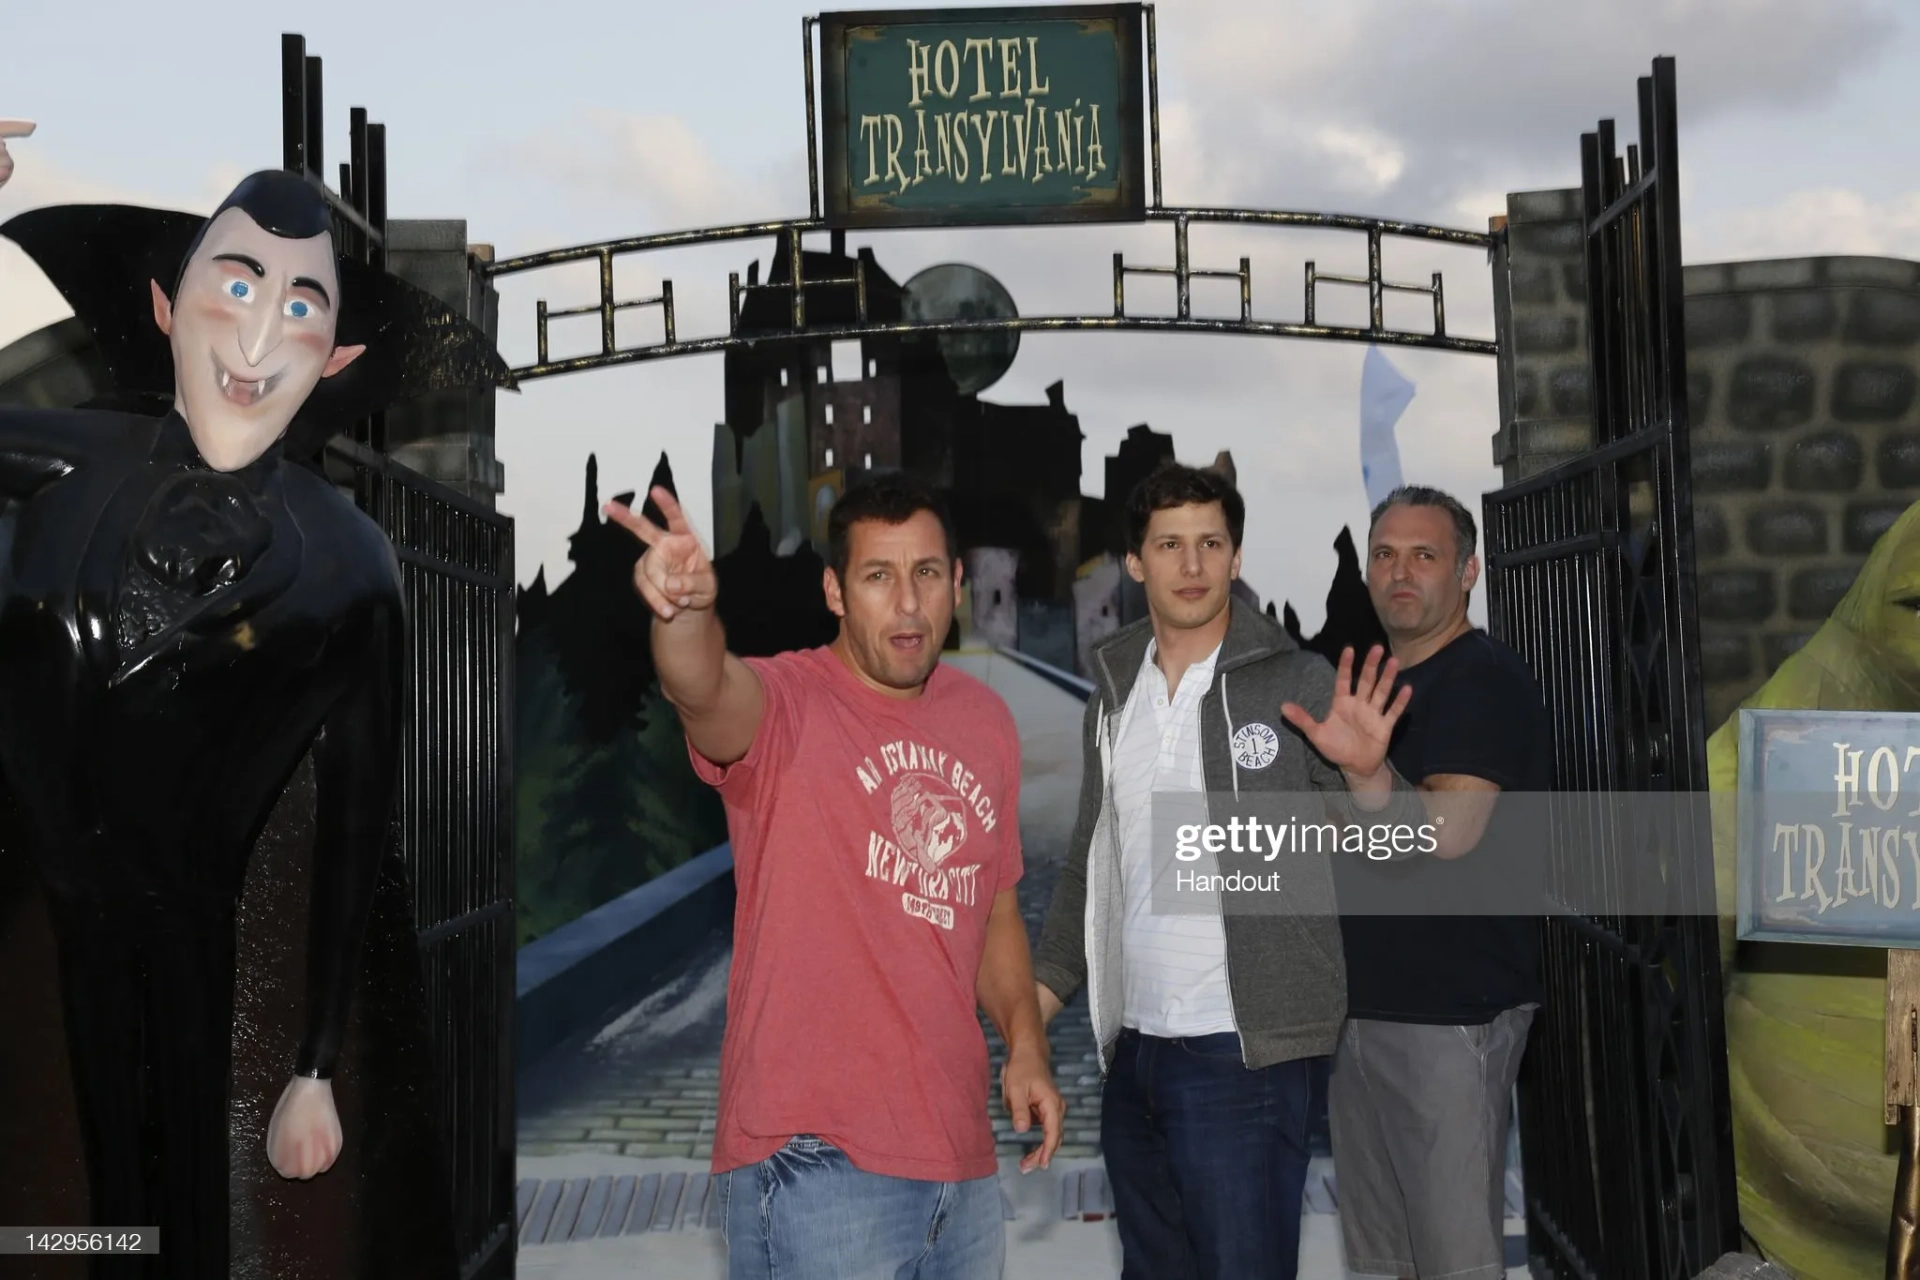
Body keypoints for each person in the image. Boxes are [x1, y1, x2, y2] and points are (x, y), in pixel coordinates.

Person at [0, 170, 508, 1275]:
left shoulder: (347, 563)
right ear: (163, 306)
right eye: (236, 284)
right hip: (32, 923)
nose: (258, 334)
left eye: (300, 306)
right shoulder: (70, 462)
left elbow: (358, 822)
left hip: (197, 929)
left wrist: (317, 1061)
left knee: (184, 1211)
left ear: (338, 362)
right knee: (67, 1211)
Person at [609, 473, 1064, 1280]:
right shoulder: (789, 703)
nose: (909, 603)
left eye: (927, 573)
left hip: (961, 1166)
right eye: (878, 576)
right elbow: (706, 689)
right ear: (835, 591)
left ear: (957, 581)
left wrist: (1025, 1045)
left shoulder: (984, 720)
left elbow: (992, 908)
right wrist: (687, 615)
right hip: (814, 1164)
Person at [1030, 460, 1432, 1280]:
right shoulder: (1112, 696)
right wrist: (1027, 1015)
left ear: (1236, 557)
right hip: (1133, 1055)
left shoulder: (1298, 683)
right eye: (1169, 545)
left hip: (1243, 1060)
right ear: (1136, 561)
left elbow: (1403, 855)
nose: (1191, 564)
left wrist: (1365, 777)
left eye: (1210, 542)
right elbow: (1087, 871)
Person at [1329, 484, 1552, 1280]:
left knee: (1454, 1261)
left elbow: (1448, 833)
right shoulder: (1382, 683)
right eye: (1385, 554)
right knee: (1384, 1262)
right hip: (1365, 1015)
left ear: (1468, 573)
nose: (1400, 572)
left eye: (1425, 555)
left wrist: (1367, 771)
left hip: (1453, 1017)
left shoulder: (1479, 679)